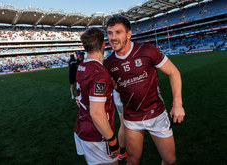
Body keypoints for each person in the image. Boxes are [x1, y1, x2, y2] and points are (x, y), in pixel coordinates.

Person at [104, 16, 185, 165]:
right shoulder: (108, 63)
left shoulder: (147, 50)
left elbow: (174, 72)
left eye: (118, 32)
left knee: (170, 160)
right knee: (133, 160)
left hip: (157, 114)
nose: (113, 37)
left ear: (129, 34)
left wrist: (177, 103)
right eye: (109, 33)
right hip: (132, 119)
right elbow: (113, 85)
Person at [74, 27, 120, 165]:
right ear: (103, 44)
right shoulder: (99, 73)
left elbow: (82, 96)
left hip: (80, 128)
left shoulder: (82, 66)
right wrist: (112, 140)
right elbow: (96, 113)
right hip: (97, 135)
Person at [113, 88, 127, 161]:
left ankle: (123, 153)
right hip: (122, 94)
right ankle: (122, 153)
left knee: (128, 123)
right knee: (124, 124)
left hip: (121, 94)